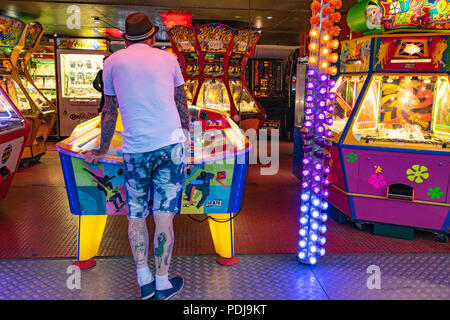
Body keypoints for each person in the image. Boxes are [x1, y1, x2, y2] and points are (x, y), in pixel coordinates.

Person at [82, 12, 191, 300]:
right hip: (170, 147)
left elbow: (109, 111)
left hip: (135, 150)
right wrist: (187, 138)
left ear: (126, 39)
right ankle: (163, 283)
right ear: (152, 37)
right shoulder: (169, 59)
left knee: (136, 216)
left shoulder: (111, 63)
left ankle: (145, 282)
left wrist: (102, 149)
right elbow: (182, 103)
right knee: (164, 218)